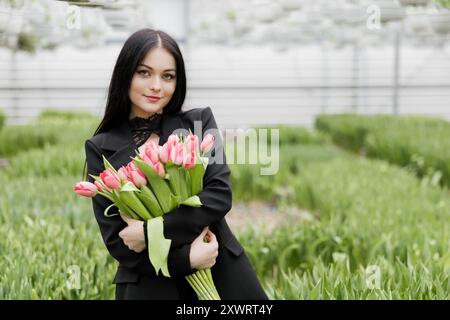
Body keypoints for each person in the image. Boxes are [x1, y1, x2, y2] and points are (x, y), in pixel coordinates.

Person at [83, 28, 268, 300]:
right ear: (125, 74)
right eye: (144, 73)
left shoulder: (199, 123)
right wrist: (187, 260)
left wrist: (150, 231)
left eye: (167, 76)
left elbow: (218, 195)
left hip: (222, 272)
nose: (157, 85)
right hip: (151, 286)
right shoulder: (100, 148)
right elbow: (120, 243)